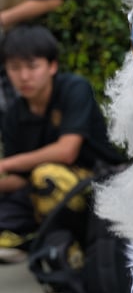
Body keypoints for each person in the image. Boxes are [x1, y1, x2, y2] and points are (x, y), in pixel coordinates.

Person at [0, 25, 121, 261]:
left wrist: (5, 164)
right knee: (35, 183)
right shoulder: (13, 113)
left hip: (97, 183)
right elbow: (20, 177)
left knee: (48, 177)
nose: (24, 76)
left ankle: (67, 249)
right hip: (39, 190)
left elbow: (67, 151)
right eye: (15, 68)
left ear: (52, 65)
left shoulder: (74, 88)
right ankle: (38, 243)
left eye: (32, 66)